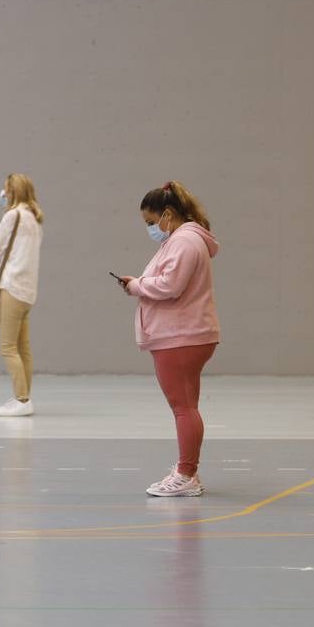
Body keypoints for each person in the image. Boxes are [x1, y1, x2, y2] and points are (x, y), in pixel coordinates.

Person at [116, 181, 220, 497]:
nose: (150, 229)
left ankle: (186, 474)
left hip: (180, 336)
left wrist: (137, 286)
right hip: (184, 334)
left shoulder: (185, 242)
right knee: (187, 405)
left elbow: (170, 285)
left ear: (168, 214)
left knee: (183, 408)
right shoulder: (181, 240)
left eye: (151, 222)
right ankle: (187, 470)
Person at [0, 173, 44, 416]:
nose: (3, 193)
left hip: (11, 286)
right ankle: (24, 397)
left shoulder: (12, 216)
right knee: (23, 347)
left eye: (5, 189)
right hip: (28, 290)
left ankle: (21, 400)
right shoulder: (34, 218)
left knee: (7, 346)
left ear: (12, 191)